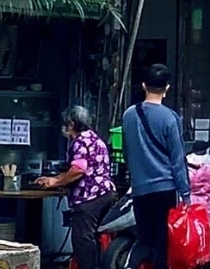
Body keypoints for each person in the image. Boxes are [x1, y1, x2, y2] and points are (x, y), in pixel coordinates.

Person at [122, 64, 190, 269]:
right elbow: (178, 160)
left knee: (144, 239)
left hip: (140, 189)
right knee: (162, 243)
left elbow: (127, 152)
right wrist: (186, 194)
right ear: (167, 88)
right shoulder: (170, 118)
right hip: (164, 189)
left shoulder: (129, 115)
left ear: (144, 86)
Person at [35, 106, 116, 269]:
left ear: (71, 124)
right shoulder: (94, 138)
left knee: (83, 240)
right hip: (106, 193)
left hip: (90, 197)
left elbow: (79, 169)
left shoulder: (80, 141)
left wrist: (56, 183)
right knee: (95, 237)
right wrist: (54, 178)